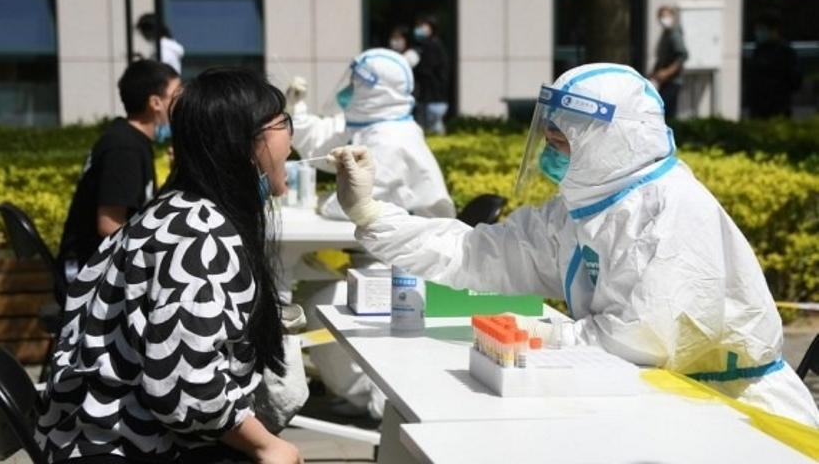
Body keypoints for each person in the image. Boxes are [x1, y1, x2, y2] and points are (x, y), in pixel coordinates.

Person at [329, 62, 819, 428]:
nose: (549, 153)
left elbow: (643, 342)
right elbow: (483, 254)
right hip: (653, 405)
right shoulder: (587, 208)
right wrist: (373, 214)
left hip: (736, 420)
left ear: (606, 140)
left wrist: (543, 334)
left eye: (561, 142)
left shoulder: (670, 211)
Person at [37, 67, 305, 463]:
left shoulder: (182, 208)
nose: (293, 137)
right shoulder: (201, 235)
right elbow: (183, 385)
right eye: (285, 123)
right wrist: (267, 445)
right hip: (126, 447)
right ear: (245, 142)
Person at [285, 47, 455, 420]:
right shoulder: (377, 125)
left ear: (375, 90)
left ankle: (377, 401)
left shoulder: (392, 141)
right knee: (315, 288)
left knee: (320, 302)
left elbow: (348, 202)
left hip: (403, 268)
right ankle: (356, 388)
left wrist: (329, 198)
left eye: (357, 84)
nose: (349, 90)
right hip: (381, 259)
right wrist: (295, 112)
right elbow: (324, 138)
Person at [57, 60, 181, 284]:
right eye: (175, 95)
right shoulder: (124, 149)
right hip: (90, 278)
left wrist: (176, 173)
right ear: (155, 102)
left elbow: (145, 210)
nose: (180, 103)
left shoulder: (133, 141)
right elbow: (108, 225)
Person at [746, 9, 803, 119]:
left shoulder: (785, 52)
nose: (758, 32)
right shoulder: (758, 50)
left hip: (778, 107)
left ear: (774, 30)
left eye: (762, 29)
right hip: (758, 109)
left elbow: (795, 80)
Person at [412, 14, 450, 135]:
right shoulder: (431, 45)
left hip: (433, 98)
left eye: (423, 25)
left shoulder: (432, 46)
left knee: (432, 131)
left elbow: (425, 70)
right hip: (431, 98)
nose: (419, 29)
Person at [649, 5, 688, 119]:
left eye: (666, 16)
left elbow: (682, 55)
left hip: (673, 81)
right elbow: (661, 58)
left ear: (672, 16)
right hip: (665, 82)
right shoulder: (665, 34)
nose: (663, 19)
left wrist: (666, 72)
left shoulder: (674, 33)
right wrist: (654, 72)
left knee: (663, 111)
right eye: (661, 16)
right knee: (664, 112)